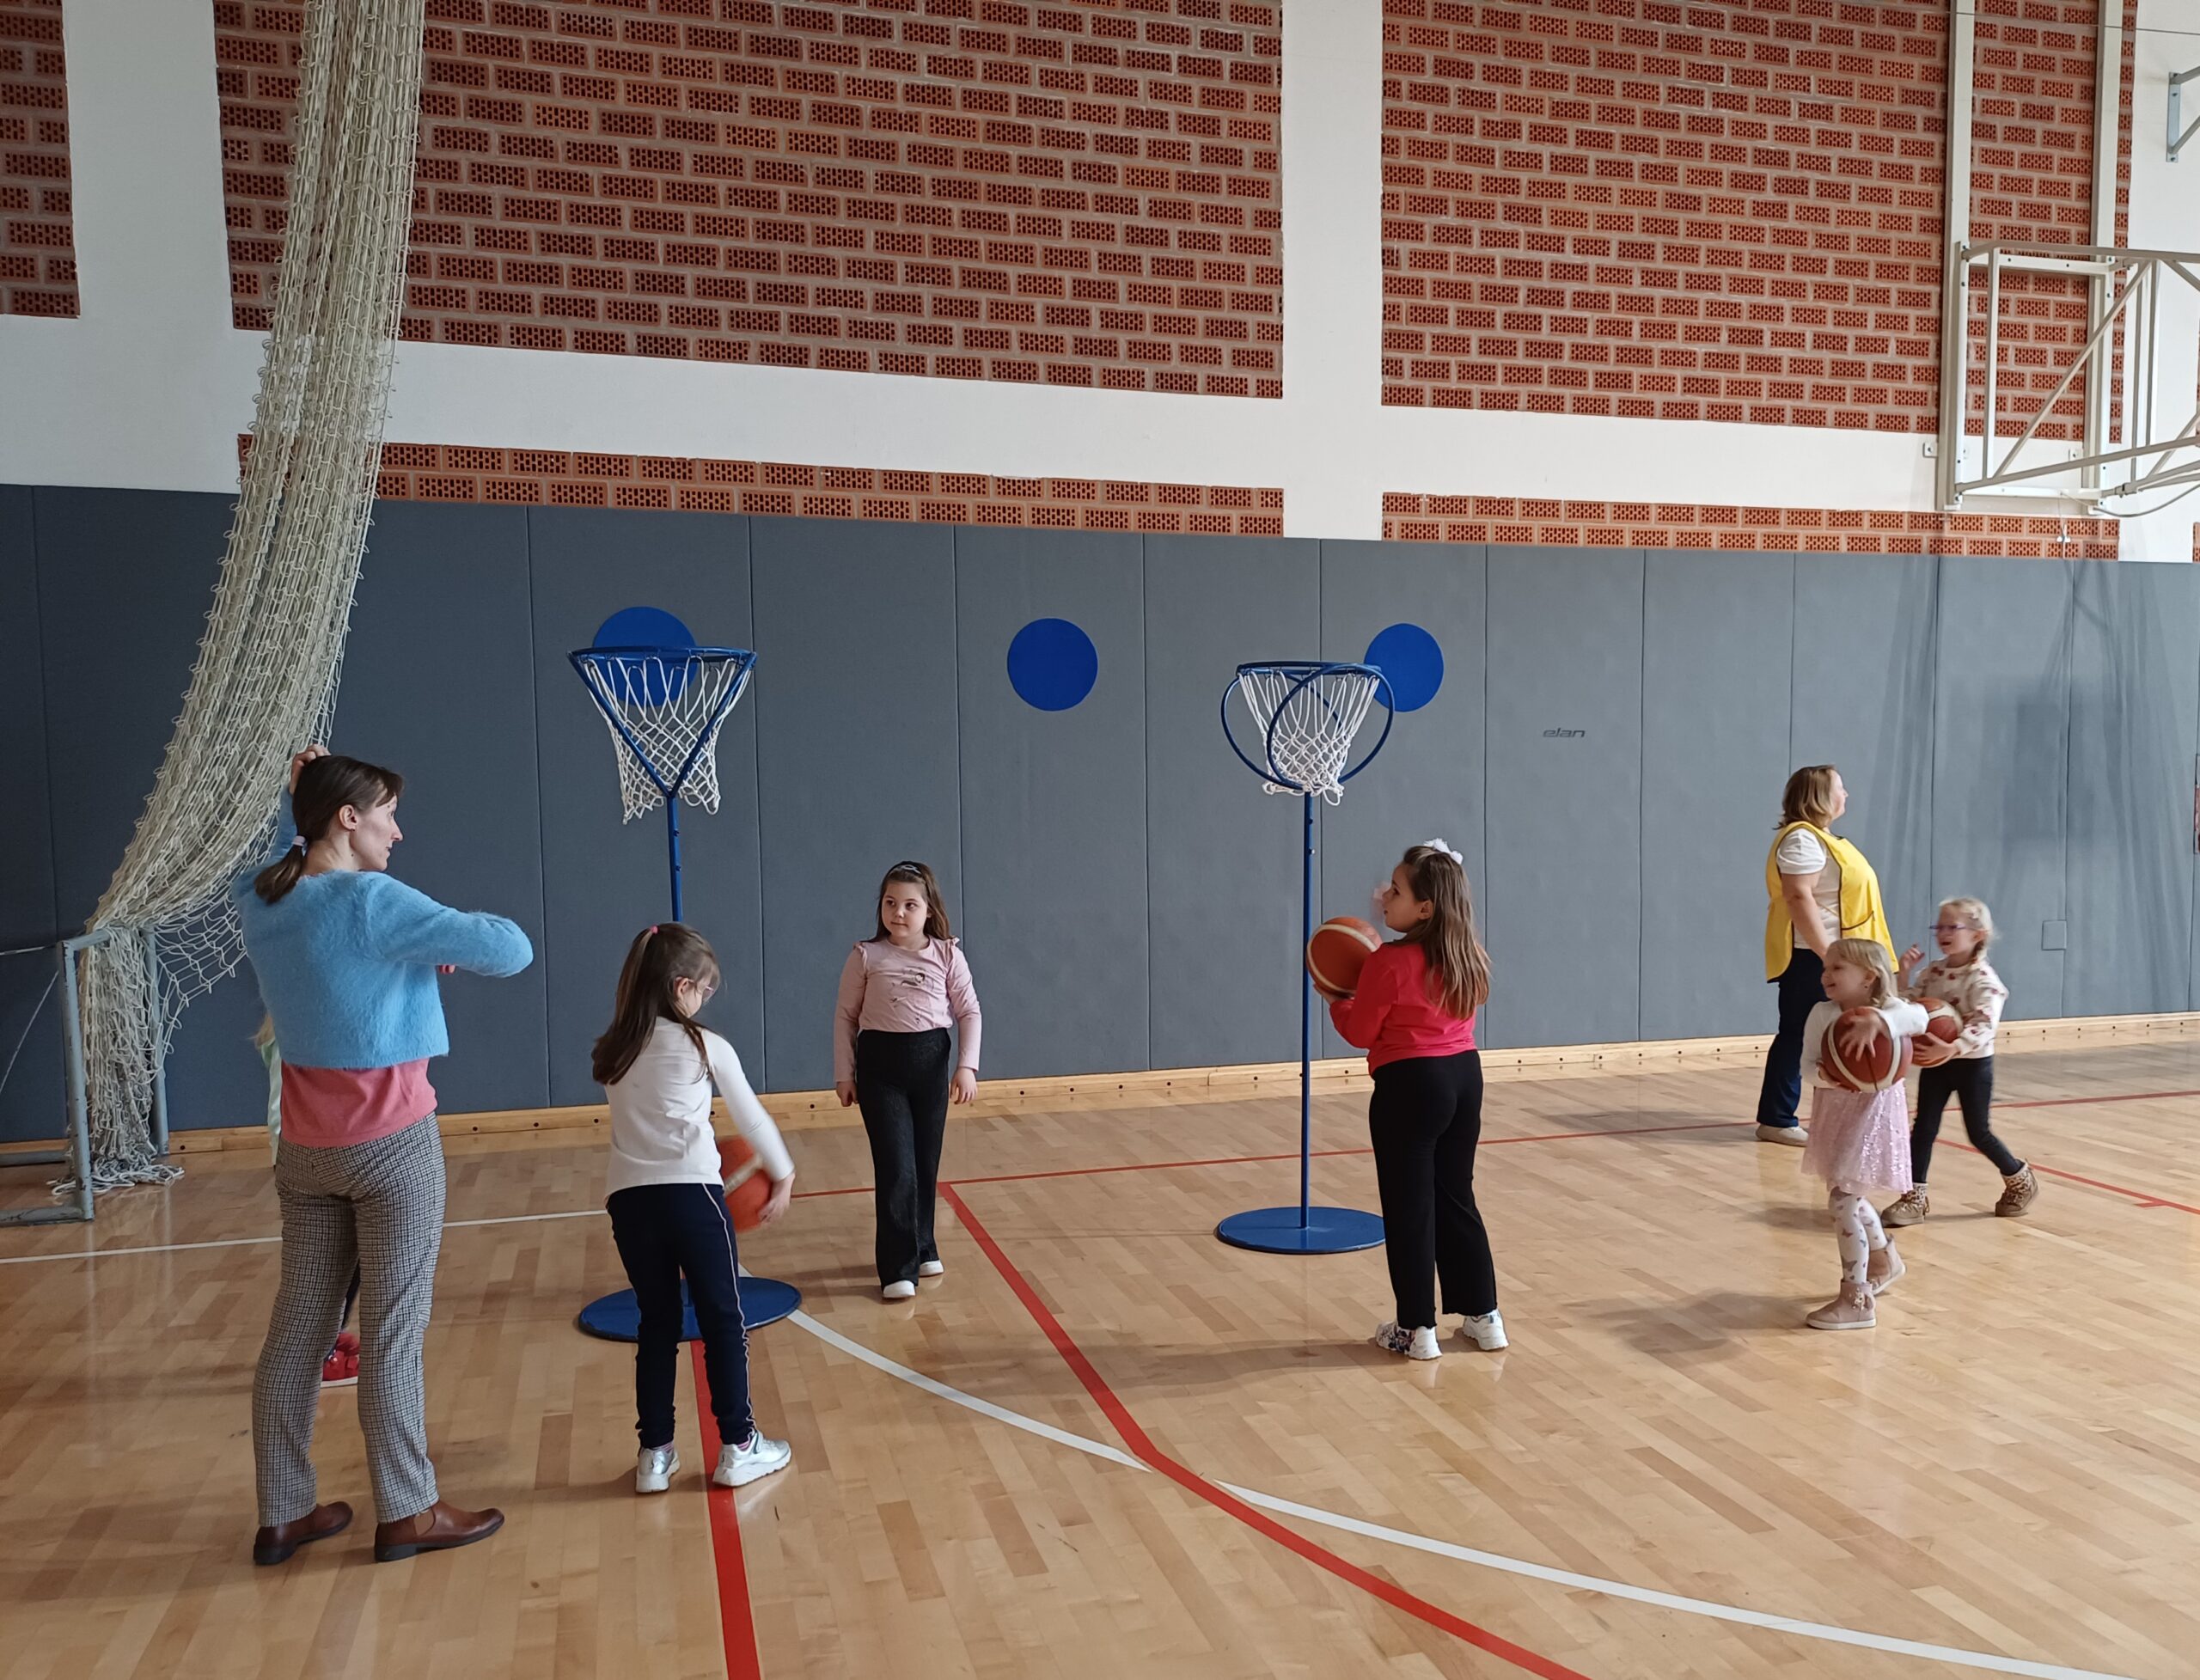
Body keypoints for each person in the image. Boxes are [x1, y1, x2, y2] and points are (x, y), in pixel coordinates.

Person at [239, 746, 534, 1566]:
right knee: (393, 1335)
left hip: (305, 1152)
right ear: (348, 818)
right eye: (388, 815)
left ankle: (283, 1512)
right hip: (392, 1148)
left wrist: (296, 804)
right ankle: (407, 1510)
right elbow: (511, 947)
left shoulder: (263, 897)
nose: (398, 832)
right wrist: (429, 938)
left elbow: (289, 863)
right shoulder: (374, 901)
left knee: (298, 1331)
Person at [596, 922, 796, 1494]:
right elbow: (751, 1118)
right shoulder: (705, 1045)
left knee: (656, 1323)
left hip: (630, 1203)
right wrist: (782, 1171)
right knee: (723, 1320)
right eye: (704, 989)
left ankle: (654, 1455)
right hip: (694, 1197)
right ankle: (739, 1445)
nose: (706, 999)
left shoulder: (615, 1050)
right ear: (681, 986)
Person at [1329, 840, 1503, 1362]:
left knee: (1410, 1208)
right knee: (1456, 1197)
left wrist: (1338, 1000)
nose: (1384, 896)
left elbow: (1362, 1033)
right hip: (1464, 1079)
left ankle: (1416, 1329)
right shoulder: (1466, 954)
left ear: (1424, 908)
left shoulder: (1388, 961)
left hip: (1411, 1085)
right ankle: (1485, 1318)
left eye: (1397, 890)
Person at [834, 861, 982, 1302]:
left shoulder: (948, 955)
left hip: (931, 1064)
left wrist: (967, 1066)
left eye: (910, 905)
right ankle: (897, 1267)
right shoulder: (866, 956)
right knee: (896, 1166)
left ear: (929, 910)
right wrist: (844, 1073)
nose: (898, 913)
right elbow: (845, 1018)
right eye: (890, 903)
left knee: (924, 1162)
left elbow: (969, 1012)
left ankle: (923, 1245)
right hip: (880, 1070)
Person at [1757, 766, 1892, 1146]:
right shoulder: (1802, 840)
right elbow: (1798, 896)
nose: (1846, 794)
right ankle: (1777, 1119)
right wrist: (1829, 955)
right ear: (1820, 796)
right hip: (1814, 957)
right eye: (1840, 788)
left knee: (1827, 1033)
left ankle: (1832, 1116)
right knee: (1800, 1035)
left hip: (1842, 957)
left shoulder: (1826, 840)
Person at [1883, 898, 2038, 1226]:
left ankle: (2020, 1178)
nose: (1943, 933)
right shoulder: (1933, 973)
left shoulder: (1983, 979)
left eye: (1952, 927)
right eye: (1938, 926)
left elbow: (1985, 1024)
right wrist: (1903, 976)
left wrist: (1953, 1047)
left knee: (1978, 1133)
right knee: (1923, 1129)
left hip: (1972, 1065)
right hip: (1937, 1062)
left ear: (1978, 935)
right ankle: (1913, 1198)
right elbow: (1908, 1009)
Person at [1797, 938, 1927, 1330]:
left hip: (1875, 1115)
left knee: (1842, 1201)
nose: (1826, 975)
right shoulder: (1821, 1013)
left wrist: (1880, 1021)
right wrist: (1830, 1076)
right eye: (1825, 968)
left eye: (1837, 968)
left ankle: (1856, 1298)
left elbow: (1920, 1018)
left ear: (1869, 977)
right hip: (1836, 1111)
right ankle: (1885, 1259)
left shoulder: (1891, 1008)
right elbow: (1806, 1067)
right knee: (1849, 1193)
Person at [257, 1016, 362, 1387]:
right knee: (333, 1267)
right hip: (302, 1153)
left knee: (347, 1260)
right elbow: (283, 1105)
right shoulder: (296, 1034)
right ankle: (319, 1352)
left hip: (300, 1150)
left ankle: (327, 1338)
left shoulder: (291, 1028)